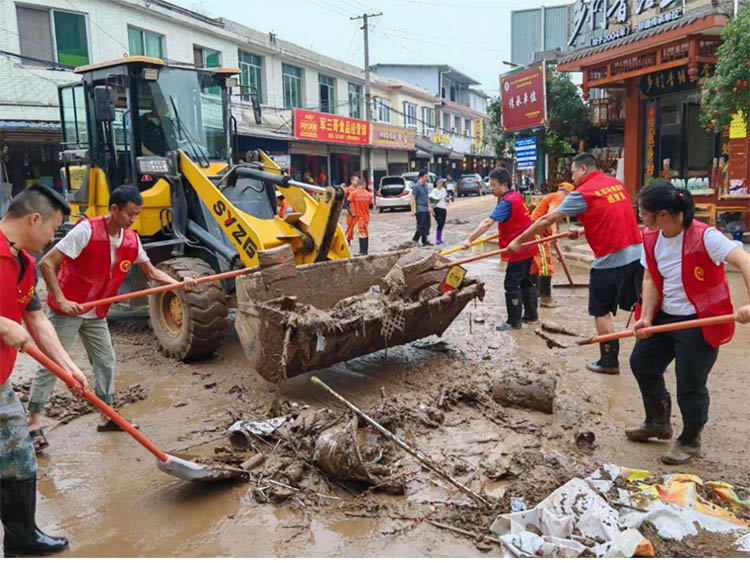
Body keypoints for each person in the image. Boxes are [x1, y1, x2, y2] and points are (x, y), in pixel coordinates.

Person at [26, 185, 197, 449]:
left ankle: (107, 416)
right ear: (114, 209)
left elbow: (151, 273)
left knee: (106, 362)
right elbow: (47, 263)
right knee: (53, 364)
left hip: (97, 311)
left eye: (137, 215)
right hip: (69, 309)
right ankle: (33, 422)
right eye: (130, 214)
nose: (132, 220)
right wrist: (60, 299)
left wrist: (179, 283)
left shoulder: (132, 240)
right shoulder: (85, 230)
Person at [627, 182, 750, 464]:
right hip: (665, 316)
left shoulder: (706, 237)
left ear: (665, 214)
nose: (641, 218)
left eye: (644, 213)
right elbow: (650, 279)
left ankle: (690, 439)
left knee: (690, 382)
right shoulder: (651, 237)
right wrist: (646, 316)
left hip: (701, 318)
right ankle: (658, 421)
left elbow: (744, 260)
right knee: (642, 363)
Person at [0, 185, 90, 556]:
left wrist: (70, 369)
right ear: (34, 219)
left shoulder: (25, 263)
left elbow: (37, 321)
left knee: (18, 456)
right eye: (53, 229)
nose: (54, 237)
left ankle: (22, 539)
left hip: (1, 381)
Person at [506, 152, 643, 374]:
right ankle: (651, 357)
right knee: (642, 306)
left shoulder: (582, 193)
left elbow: (546, 220)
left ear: (583, 170)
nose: (573, 178)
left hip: (610, 259)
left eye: (573, 172)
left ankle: (609, 361)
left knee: (601, 312)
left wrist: (519, 242)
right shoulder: (615, 184)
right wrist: (582, 229)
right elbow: (612, 216)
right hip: (637, 255)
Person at [461, 168, 539, 330]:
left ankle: (514, 321)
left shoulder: (506, 202)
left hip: (518, 249)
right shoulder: (516, 196)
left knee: (511, 285)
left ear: (504, 185)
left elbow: (488, 223)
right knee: (526, 282)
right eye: (490, 185)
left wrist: (469, 240)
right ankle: (531, 315)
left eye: (494, 185)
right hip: (529, 246)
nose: (491, 188)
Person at [530, 182, 574, 307]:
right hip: (538, 233)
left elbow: (553, 234)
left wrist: (559, 252)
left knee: (535, 264)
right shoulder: (557, 197)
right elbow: (551, 215)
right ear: (568, 194)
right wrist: (554, 232)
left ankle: (536, 292)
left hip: (538, 233)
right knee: (545, 264)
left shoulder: (552, 197)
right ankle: (545, 297)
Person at [347, 179, 374, 256]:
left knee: (361, 233)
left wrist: (351, 213)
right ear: (364, 185)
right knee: (365, 232)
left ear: (358, 185)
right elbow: (371, 206)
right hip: (366, 217)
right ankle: (365, 251)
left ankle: (362, 252)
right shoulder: (368, 194)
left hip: (358, 217)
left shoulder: (354, 193)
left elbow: (347, 203)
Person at [410, 169, 432, 246]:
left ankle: (424, 241)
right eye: (425, 177)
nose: (427, 178)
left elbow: (427, 197)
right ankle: (415, 240)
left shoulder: (426, 186)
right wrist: (412, 210)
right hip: (420, 208)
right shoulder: (416, 186)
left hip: (426, 208)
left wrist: (430, 207)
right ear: (421, 177)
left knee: (427, 225)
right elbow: (412, 198)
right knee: (420, 226)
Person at [430, 179, 449, 245]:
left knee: (442, 224)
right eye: (440, 182)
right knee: (440, 223)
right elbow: (432, 202)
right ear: (437, 183)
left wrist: (448, 199)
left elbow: (445, 198)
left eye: (442, 182)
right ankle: (437, 239)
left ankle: (440, 238)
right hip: (437, 209)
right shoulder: (434, 191)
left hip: (443, 208)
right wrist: (432, 210)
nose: (441, 183)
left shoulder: (444, 190)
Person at [343, 174, 359, 245]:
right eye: (356, 180)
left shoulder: (357, 189)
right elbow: (345, 201)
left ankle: (348, 239)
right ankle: (347, 239)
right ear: (352, 181)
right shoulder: (348, 189)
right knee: (350, 226)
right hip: (350, 210)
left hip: (356, 210)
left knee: (355, 226)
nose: (357, 182)